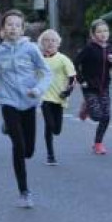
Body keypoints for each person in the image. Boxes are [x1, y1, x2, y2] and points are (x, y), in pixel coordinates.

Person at [0, 9, 52, 209]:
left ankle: (7, 128)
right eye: (9, 25)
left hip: (29, 102)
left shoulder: (31, 49)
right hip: (8, 102)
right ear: (3, 29)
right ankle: (24, 192)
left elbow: (46, 73)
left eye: (17, 25)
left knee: (29, 151)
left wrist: (38, 90)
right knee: (18, 147)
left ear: (22, 29)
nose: (13, 28)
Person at [74, 19, 112, 155]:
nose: (103, 34)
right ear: (93, 34)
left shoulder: (110, 49)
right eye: (99, 31)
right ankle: (87, 107)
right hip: (89, 87)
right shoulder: (89, 49)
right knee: (96, 116)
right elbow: (74, 63)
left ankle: (98, 144)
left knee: (106, 116)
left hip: (104, 87)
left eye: (105, 31)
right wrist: (81, 80)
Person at [37, 29, 76, 166]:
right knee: (49, 125)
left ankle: (50, 154)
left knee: (56, 130)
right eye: (46, 40)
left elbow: (72, 77)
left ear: (58, 43)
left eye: (53, 40)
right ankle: (50, 155)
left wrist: (67, 92)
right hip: (44, 98)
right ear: (41, 43)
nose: (50, 43)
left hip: (59, 98)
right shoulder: (38, 59)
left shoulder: (63, 59)